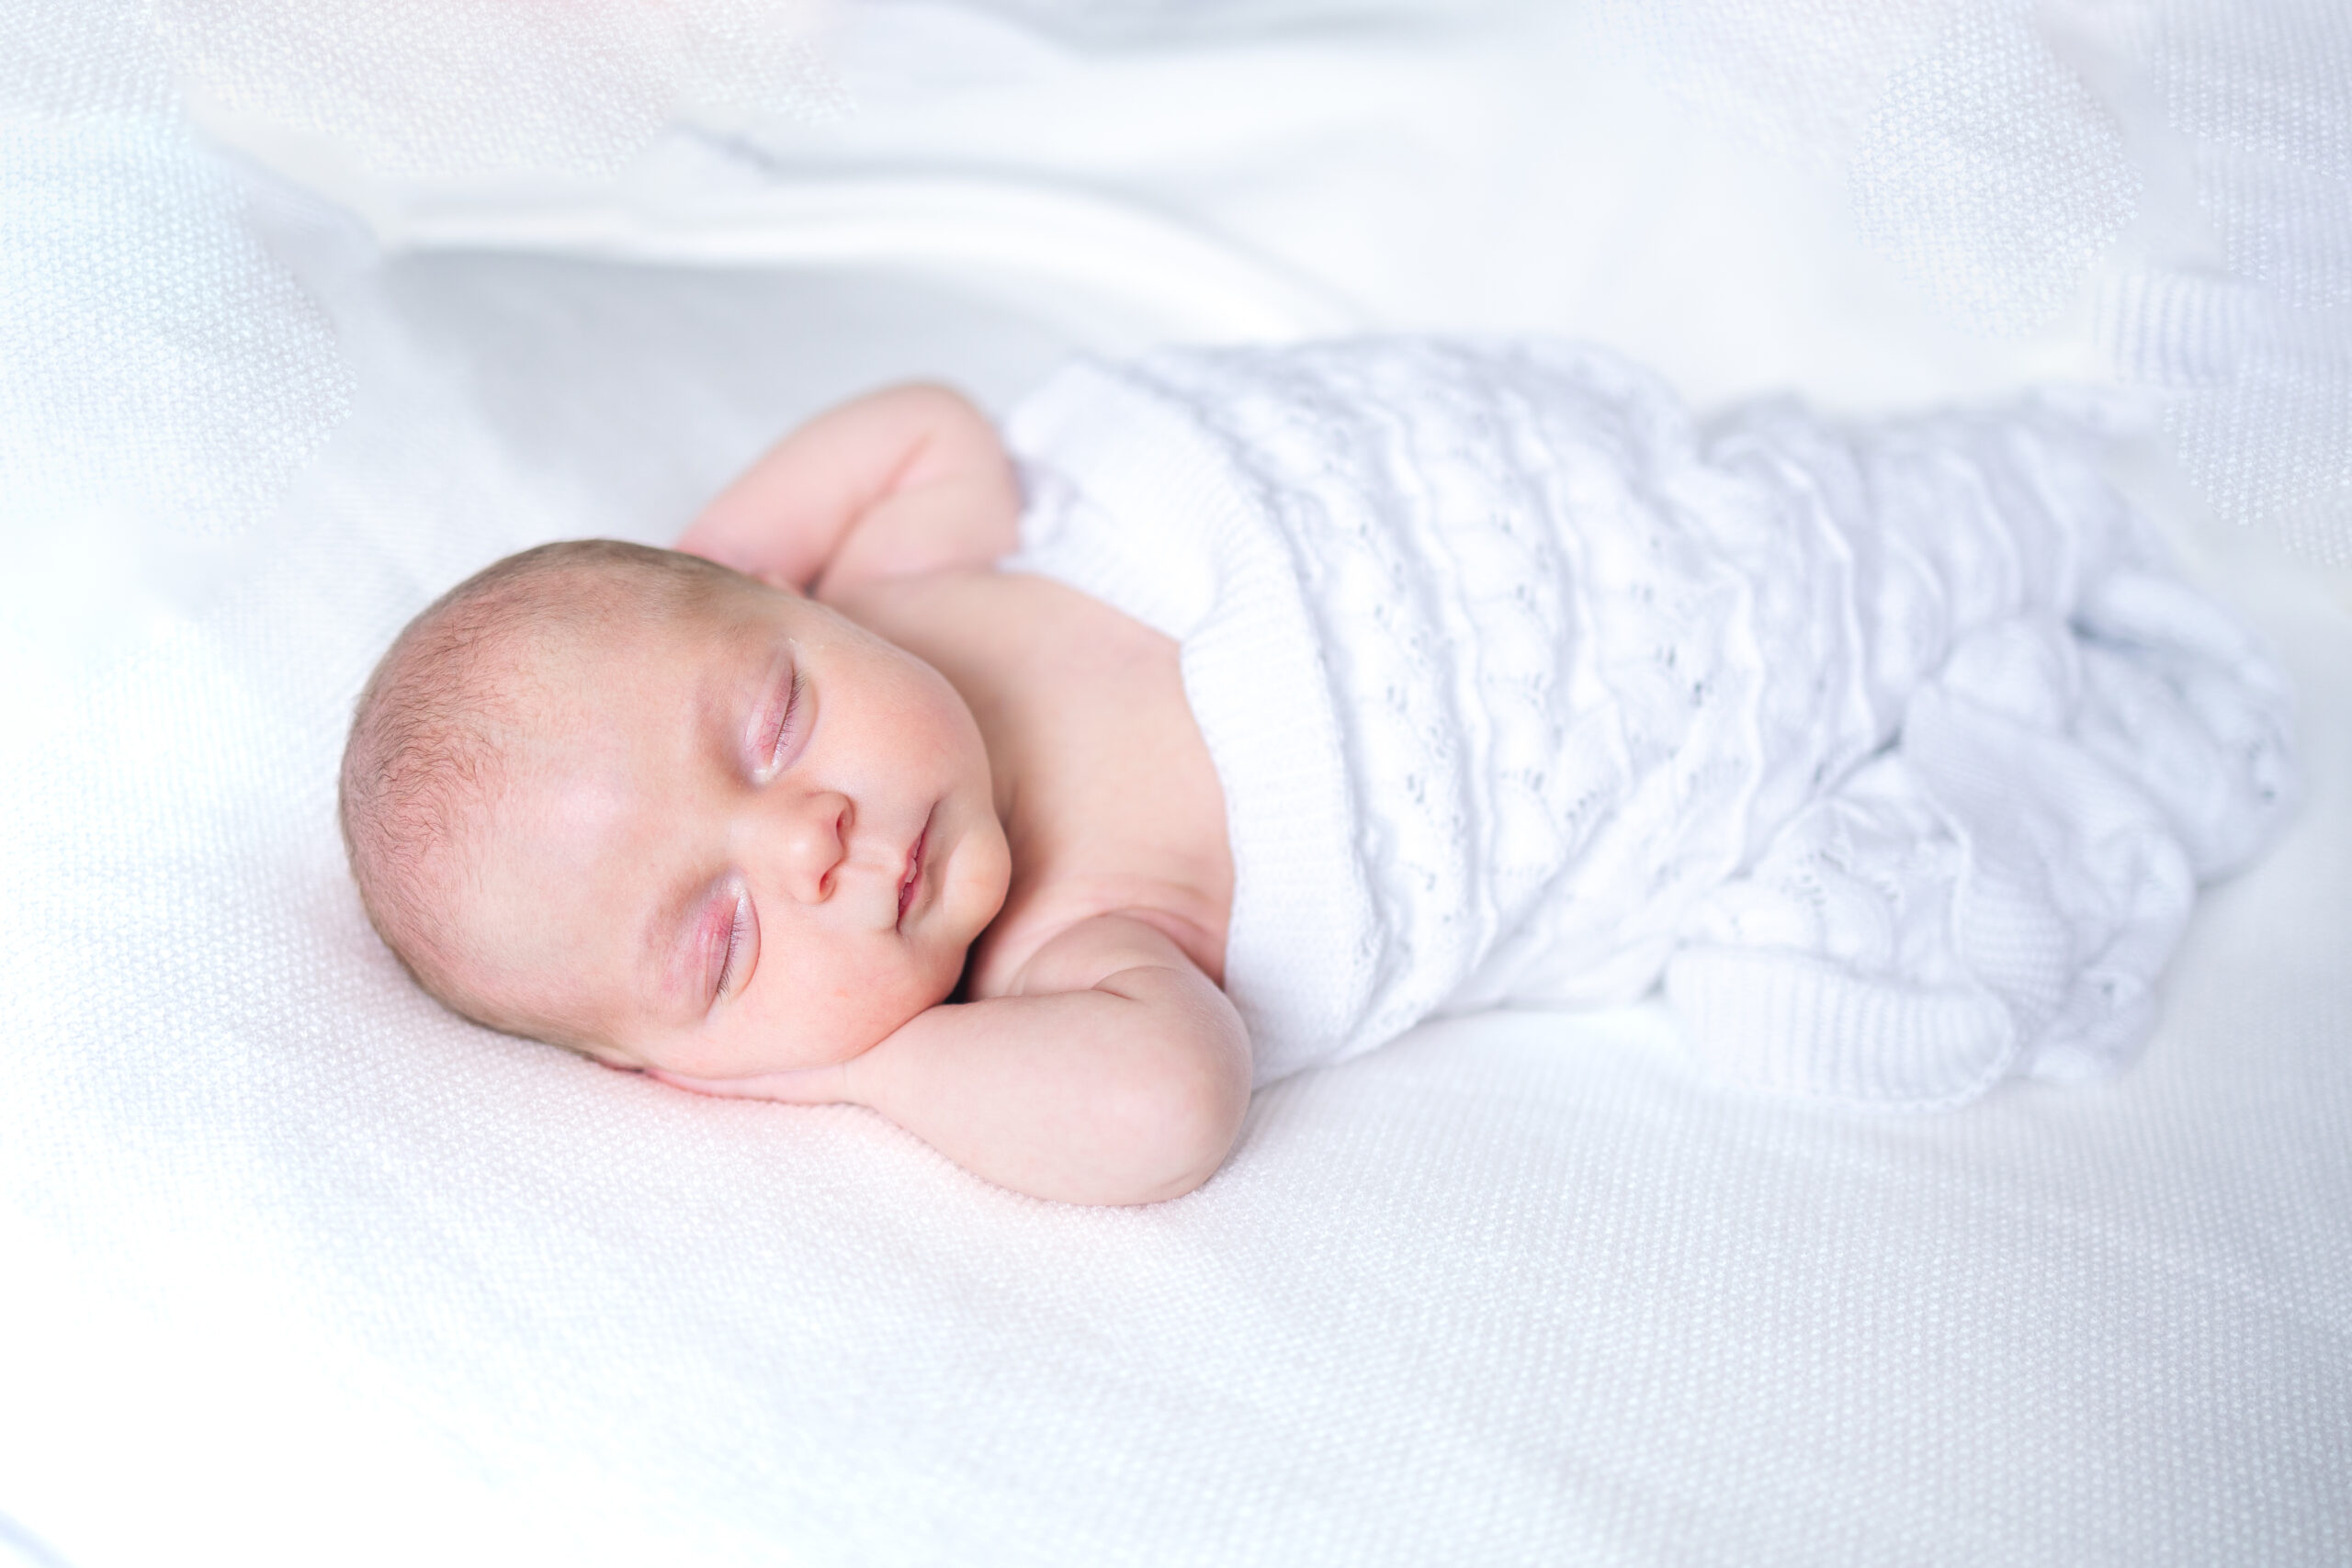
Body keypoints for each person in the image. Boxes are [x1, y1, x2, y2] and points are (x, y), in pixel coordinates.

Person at [339, 338, 2297, 1206]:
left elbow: (921, 420)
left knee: (1886, 514)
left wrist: (705, 561)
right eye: (719, 940)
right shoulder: (1073, 955)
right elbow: (1160, 1109)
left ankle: (2042, 500)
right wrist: (857, 1067)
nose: (811, 834)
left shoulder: (907, 583)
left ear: (786, 603)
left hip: (1545, 534)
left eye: (766, 722)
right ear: (675, 1066)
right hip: (1632, 724)